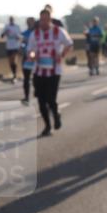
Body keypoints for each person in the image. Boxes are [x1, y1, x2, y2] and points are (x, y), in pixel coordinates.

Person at [25, 8, 73, 136]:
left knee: (51, 99)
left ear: (50, 19)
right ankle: (47, 126)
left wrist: (62, 54)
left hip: (54, 71)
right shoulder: (34, 34)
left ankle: (56, 114)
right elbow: (29, 50)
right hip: (39, 71)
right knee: (41, 101)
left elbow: (69, 44)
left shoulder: (58, 32)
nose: (44, 22)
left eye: (46, 20)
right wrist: (33, 55)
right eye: (42, 20)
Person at [20, 16, 36, 105]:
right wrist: (22, 50)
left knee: (37, 78)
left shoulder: (38, 33)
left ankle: (37, 90)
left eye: (32, 22)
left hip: (37, 58)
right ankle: (26, 97)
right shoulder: (25, 33)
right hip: (27, 58)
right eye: (29, 22)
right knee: (26, 78)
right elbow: (22, 44)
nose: (30, 24)